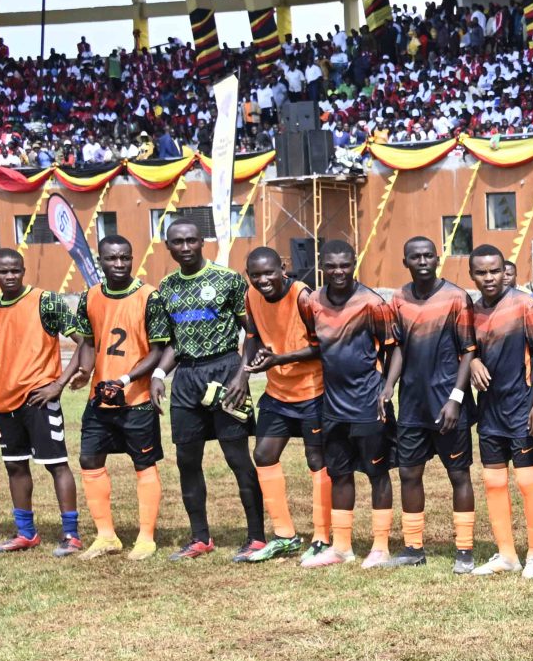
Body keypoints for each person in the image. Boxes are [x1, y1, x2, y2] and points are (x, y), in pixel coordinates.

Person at [154, 215, 264, 561]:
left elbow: (252, 332)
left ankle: (257, 537)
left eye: (191, 240)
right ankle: (200, 538)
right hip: (186, 378)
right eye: (177, 242)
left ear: (202, 242)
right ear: (168, 246)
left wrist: (242, 376)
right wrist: (159, 374)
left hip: (225, 372)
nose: (185, 247)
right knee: (187, 460)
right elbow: (173, 343)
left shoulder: (228, 280)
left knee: (237, 458)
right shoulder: (166, 287)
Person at [0, 248, 84, 556]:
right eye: (3, 271)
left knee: (56, 465)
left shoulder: (46, 301)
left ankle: (71, 535)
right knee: (15, 467)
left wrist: (58, 385)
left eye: (16, 271)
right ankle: (25, 533)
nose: (10, 276)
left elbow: (84, 340)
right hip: (4, 404)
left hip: (38, 398)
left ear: (24, 271)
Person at [295, 240, 398, 568]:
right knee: (339, 473)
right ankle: (341, 547)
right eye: (332, 265)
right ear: (321, 264)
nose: (339, 271)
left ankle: (381, 547)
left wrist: (387, 389)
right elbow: (316, 345)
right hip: (333, 405)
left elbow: (394, 349)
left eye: (345, 265)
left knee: (377, 473)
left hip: (369, 403)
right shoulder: (312, 302)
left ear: (355, 263)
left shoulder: (372, 303)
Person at [69, 235, 168, 559]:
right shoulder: (90, 296)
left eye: (125, 258)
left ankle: (146, 537)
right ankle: (106, 535)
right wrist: (84, 371)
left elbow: (158, 351)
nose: (120, 264)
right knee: (89, 460)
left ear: (132, 258)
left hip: (135, 399)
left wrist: (125, 379)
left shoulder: (149, 296)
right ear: (101, 261)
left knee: (144, 463)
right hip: (100, 399)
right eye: (112, 259)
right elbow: (88, 343)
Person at [386, 235, 479, 572]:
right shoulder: (398, 298)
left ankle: (465, 551)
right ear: (405, 262)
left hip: (447, 404)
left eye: (428, 255)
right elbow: (396, 346)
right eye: (416, 256)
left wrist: (456, 398)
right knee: (409, 473)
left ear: (437, 258)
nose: (423, 260)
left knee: (458, 475)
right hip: (412, 404)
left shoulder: (456, 297)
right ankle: (413, 548)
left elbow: (469, 352)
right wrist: (388, 387)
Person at [464, 243, 533, 578]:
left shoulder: (524, 304)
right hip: (489, 413)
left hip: (522, 410)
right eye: (482, 272)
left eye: (495, 271)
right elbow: (467, 349)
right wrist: (473, 361)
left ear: (505, 271)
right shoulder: (471, 311)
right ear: (471, 275)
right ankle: (506, 554)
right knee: (492, 482)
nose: (489, 278)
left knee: (527, 481)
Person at [238, 246, 326, 561]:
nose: (263, 280)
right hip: (277, 392)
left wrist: (281, 358)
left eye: (268, 272)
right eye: (256, 274)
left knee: (317, 461)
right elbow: (253, 335)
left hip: (312, 391)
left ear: (283, 268)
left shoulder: (303, 297)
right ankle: (285, 535)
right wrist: (244, 374)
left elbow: (322, 346)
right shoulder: (251, 296)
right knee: (263, 455)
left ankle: (322, 537)